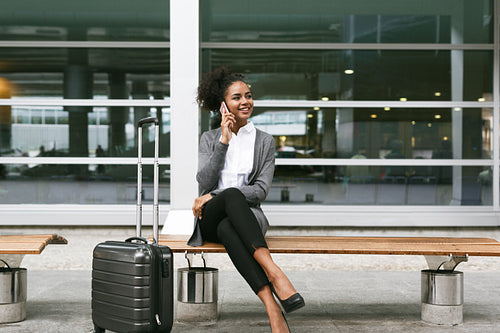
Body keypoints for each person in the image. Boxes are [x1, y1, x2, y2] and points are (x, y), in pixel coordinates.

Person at [188, 66, 304, 332]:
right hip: (210, 218)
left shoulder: (264, 141)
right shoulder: (209, 139)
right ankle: (275, 273)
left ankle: (273, 309)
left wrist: (215, 194)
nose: (245, 102)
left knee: (229, 225)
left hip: (247, 218)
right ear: (223, 105)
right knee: (228, 198)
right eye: (237, 97)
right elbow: (203, 181)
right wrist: (224, 141)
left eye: (248, 96)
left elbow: (261, 190)